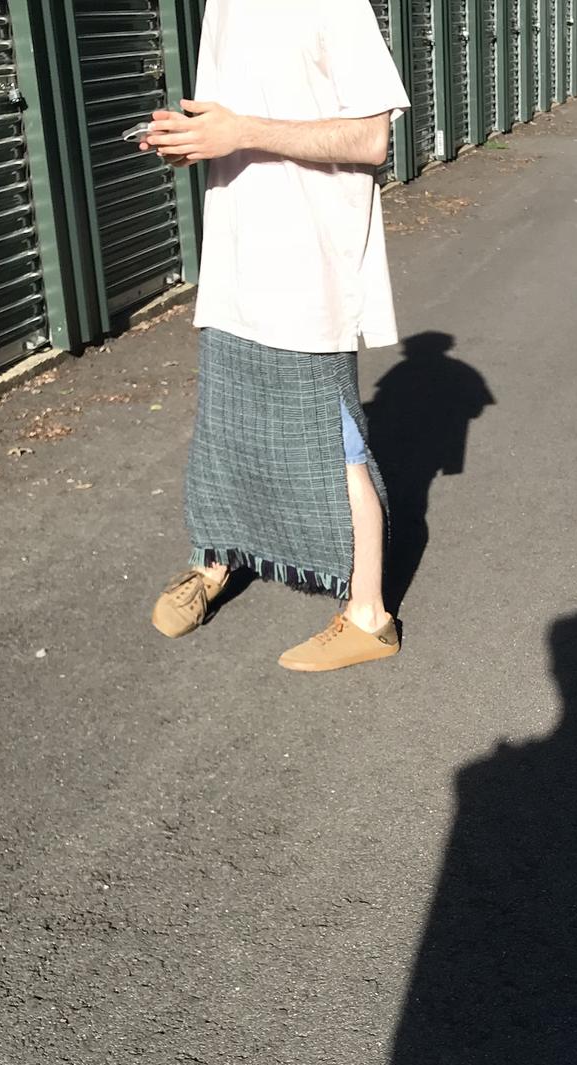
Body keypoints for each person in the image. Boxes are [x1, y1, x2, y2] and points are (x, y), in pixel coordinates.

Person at [143, 0, 411, 672]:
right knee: (226, 423)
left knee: (330, 434)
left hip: (308, 263)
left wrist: (241, 132)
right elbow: (234, 127)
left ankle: (370, 616)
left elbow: (370, 138)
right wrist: (194, 139)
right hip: (237, 254)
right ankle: (217, 559)